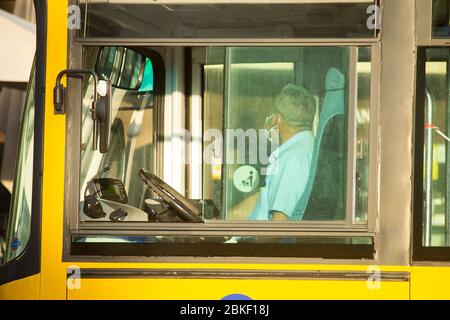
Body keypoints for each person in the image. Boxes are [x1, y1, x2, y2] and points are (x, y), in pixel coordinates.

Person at [229, 84, 316, 221]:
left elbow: (278, 225)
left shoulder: (294, 158)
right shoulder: (300, 150)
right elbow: (266, 198)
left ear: (277, 119)